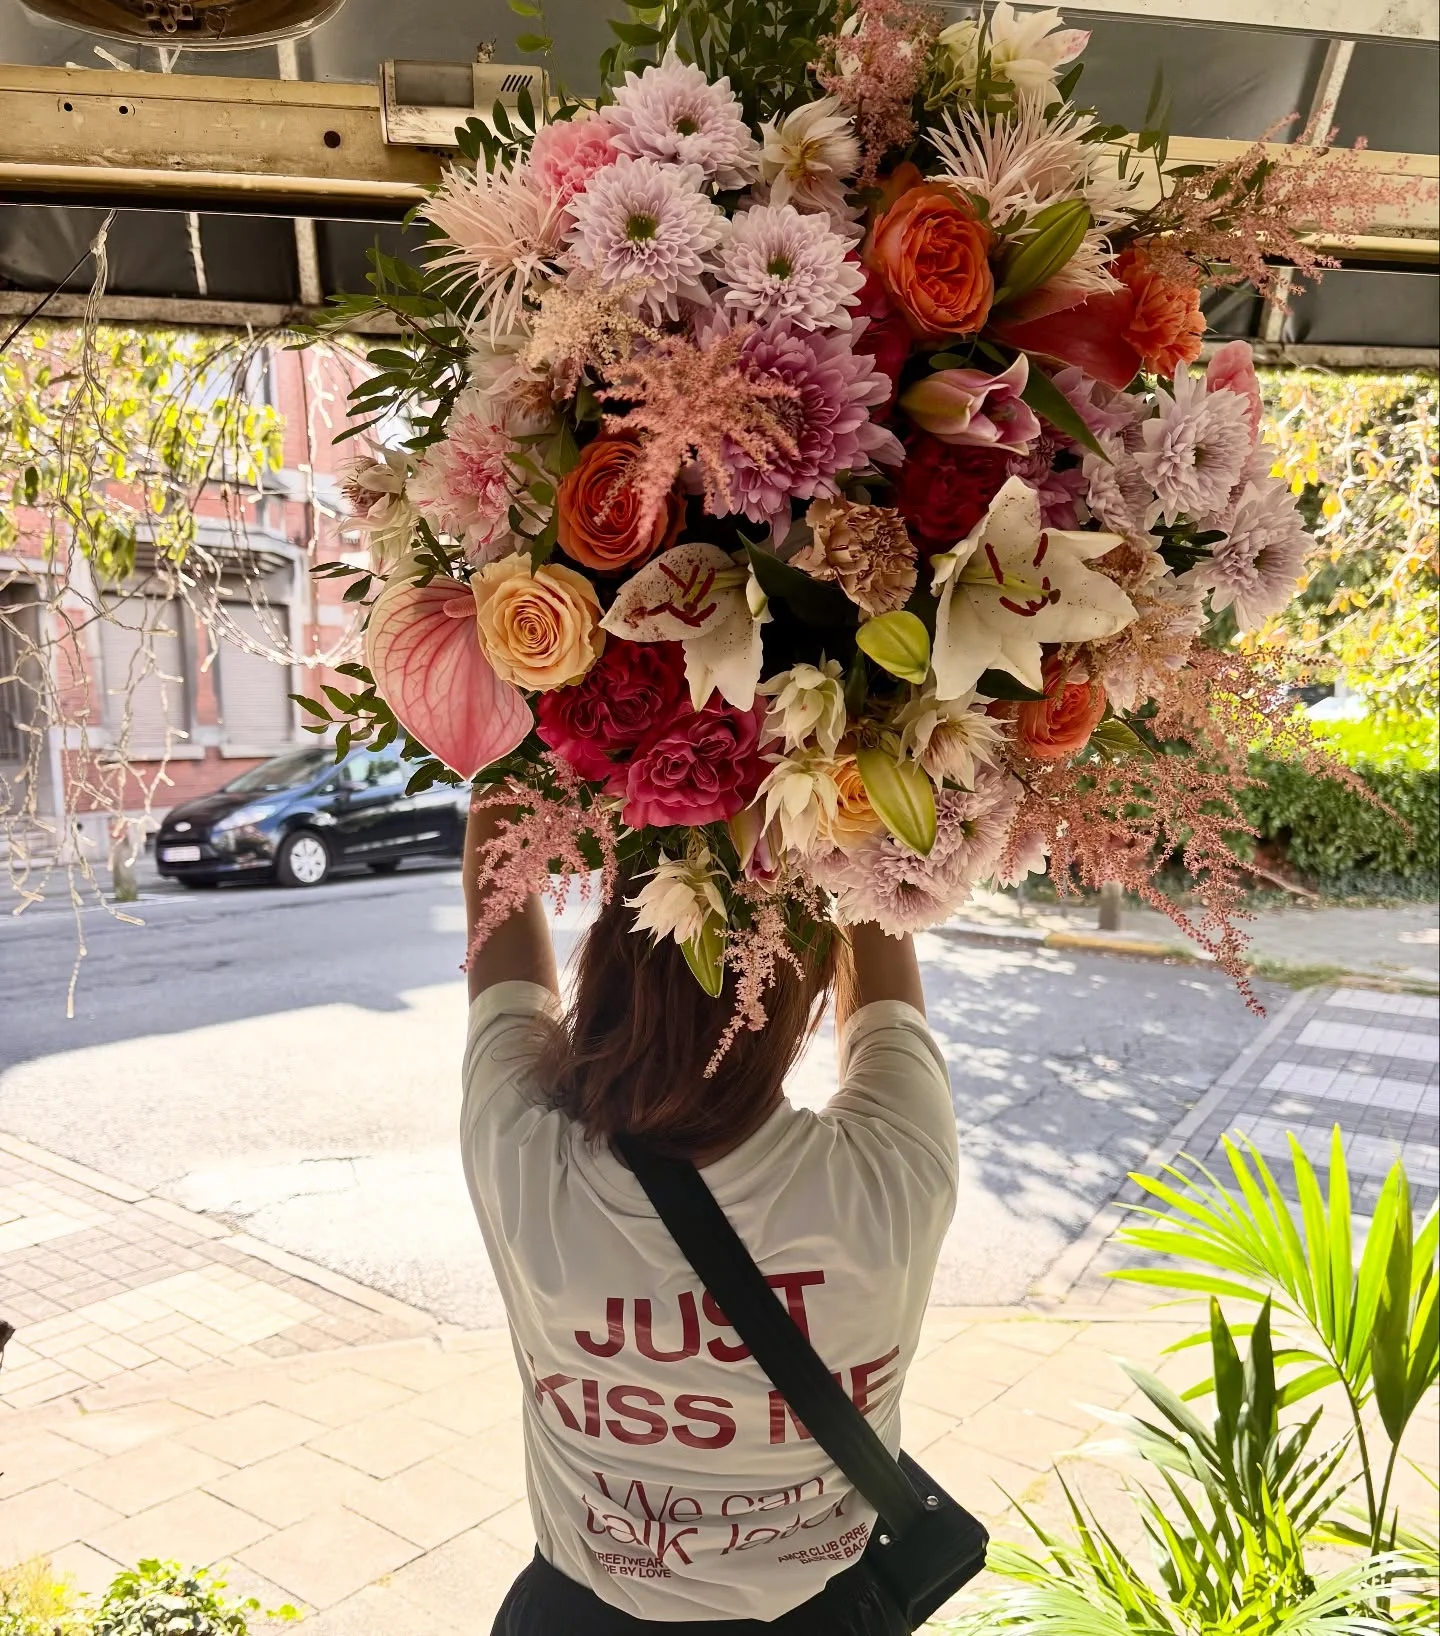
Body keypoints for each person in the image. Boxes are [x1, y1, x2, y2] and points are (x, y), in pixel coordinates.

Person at [460, 799, 959, 1633]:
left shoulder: (524, 1164)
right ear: (798, 1005)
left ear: (606, 965)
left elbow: (498, 886)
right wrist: (851, 773)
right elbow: (887, 975)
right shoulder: (894, 1175)